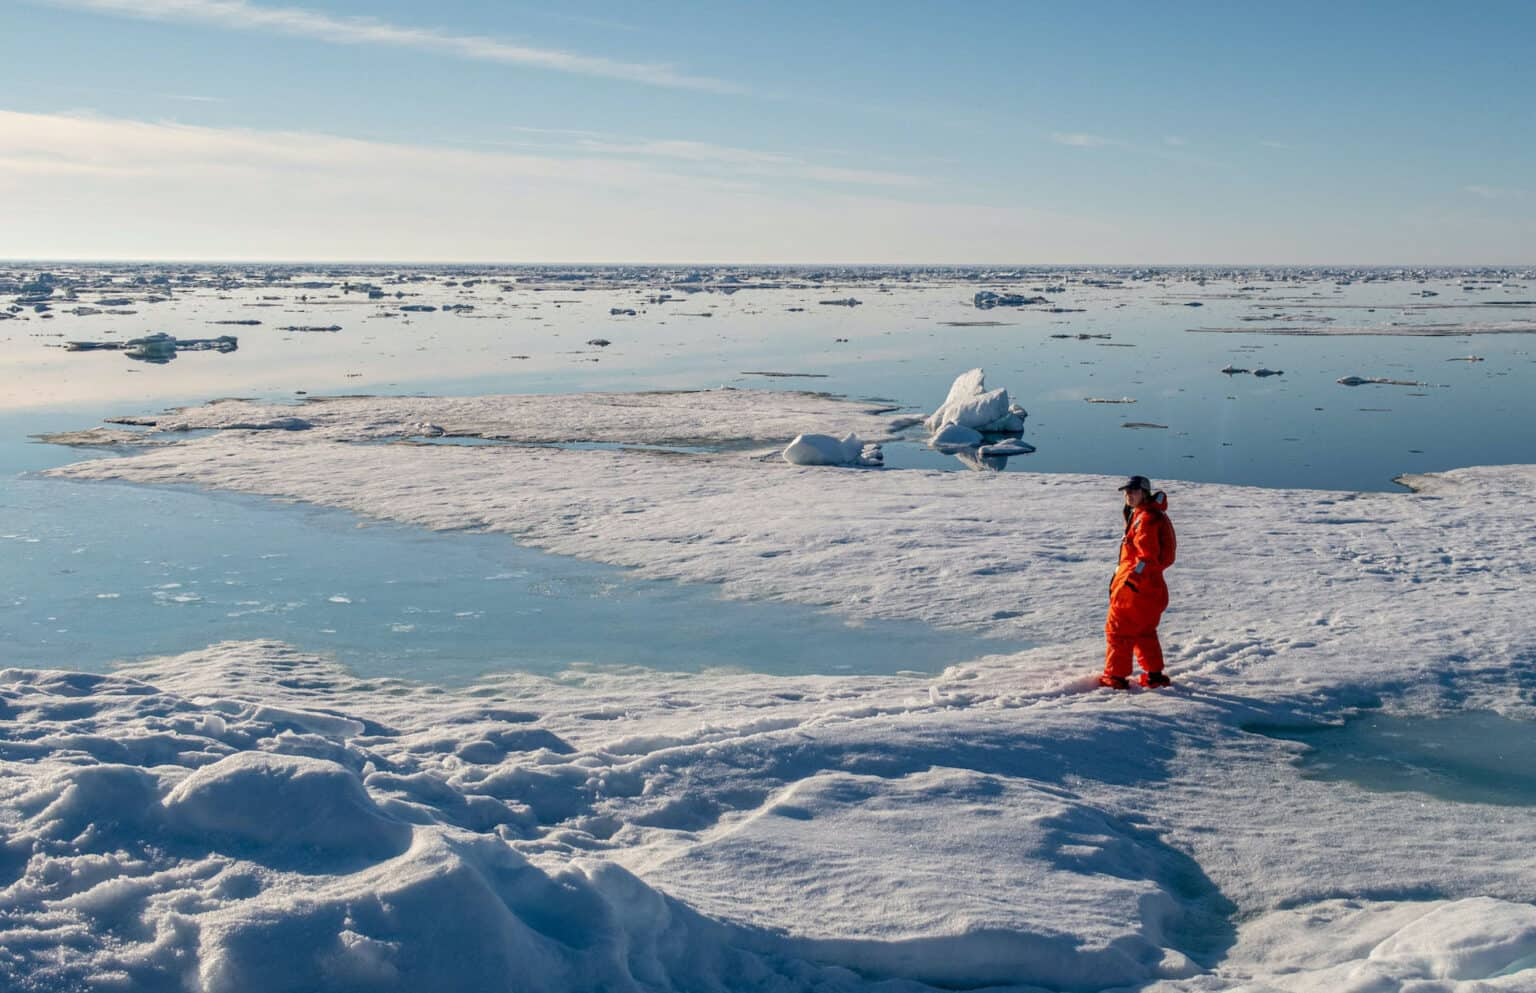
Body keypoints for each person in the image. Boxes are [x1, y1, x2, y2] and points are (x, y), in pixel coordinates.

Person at [1100, 475, 1176, 690]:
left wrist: (1131, 582)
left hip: (1137, 588)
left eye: (1133, 491)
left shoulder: (1147, 519)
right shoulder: (1145, 515)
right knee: (1144, 632)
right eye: (1126, 492)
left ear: (1144, 493)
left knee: (1118, 630)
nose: (1128, 495)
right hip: (1152, 588)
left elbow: (1147, 556)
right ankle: (1154, 675)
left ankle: (1115, 678)